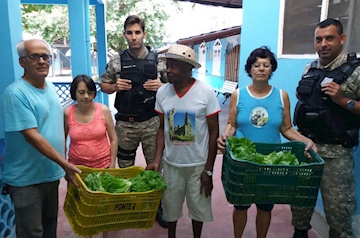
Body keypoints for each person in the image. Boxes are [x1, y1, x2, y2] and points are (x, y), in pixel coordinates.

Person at [216, 46, 317, 238]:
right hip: (243, 163)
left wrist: (306, 141)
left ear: (271, 69)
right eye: (256, 65)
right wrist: (224, 137)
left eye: (266, 65)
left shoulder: (281, 96)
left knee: (265, 207)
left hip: (270, 163)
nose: (261, 68)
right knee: (241, 206)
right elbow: (232, 124)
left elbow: (286, 128)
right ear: (250, 69)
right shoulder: (239, 95)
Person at [0, 39, 81, 238]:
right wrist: (65, 164)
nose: (42, 61)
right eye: (34, 56)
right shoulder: (16, 94)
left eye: (46, 56)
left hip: (49, 174)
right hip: (27, 179)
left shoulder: (50, 88)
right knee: (31, 232)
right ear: (22, 62)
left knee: (49, 227)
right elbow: (32, 137)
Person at [291, 18, 360, 238]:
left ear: (342, 39)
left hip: (336, 155)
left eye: (329, 38)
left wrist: (342, 100)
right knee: (300, 206)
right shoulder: (309, 68)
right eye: (319, 39)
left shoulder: (356, 71)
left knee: (338, 214)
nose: (323, 44)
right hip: (306, 150)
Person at [99, 15, 167, 228]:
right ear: (124, 34)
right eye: (130, 33)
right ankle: (129, 204)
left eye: (137, 32)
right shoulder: (117, 61)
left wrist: (161, 86)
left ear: (144, 34)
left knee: (155, 166)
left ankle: (157, 206)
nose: (134, 37)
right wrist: (114, 87)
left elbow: (172, 86)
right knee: (125, 167)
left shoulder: (158, 61)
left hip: (151, 122)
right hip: (125, 124)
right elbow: (103, 85)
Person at [146, 44, 221, 238]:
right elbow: (162, 130)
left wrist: (208, 169)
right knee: (170, 207)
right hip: (172, 164)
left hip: (198, 165)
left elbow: (214, 133)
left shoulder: (205, 92)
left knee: (198, 209)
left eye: (173, 66)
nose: (168, 70)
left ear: (189, 68)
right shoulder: (163, 93)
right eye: (167, 65)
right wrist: (156, 160)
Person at [64, 74, 117, 168]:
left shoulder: (103, 110)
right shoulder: (68, 113)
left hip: (103, 165)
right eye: (81, 92)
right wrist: (65, 165)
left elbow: (113, 139)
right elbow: (62, 141)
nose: (86, 96)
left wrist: (112, 164)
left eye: (90, 92)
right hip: (77, 167)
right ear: (74, 93)